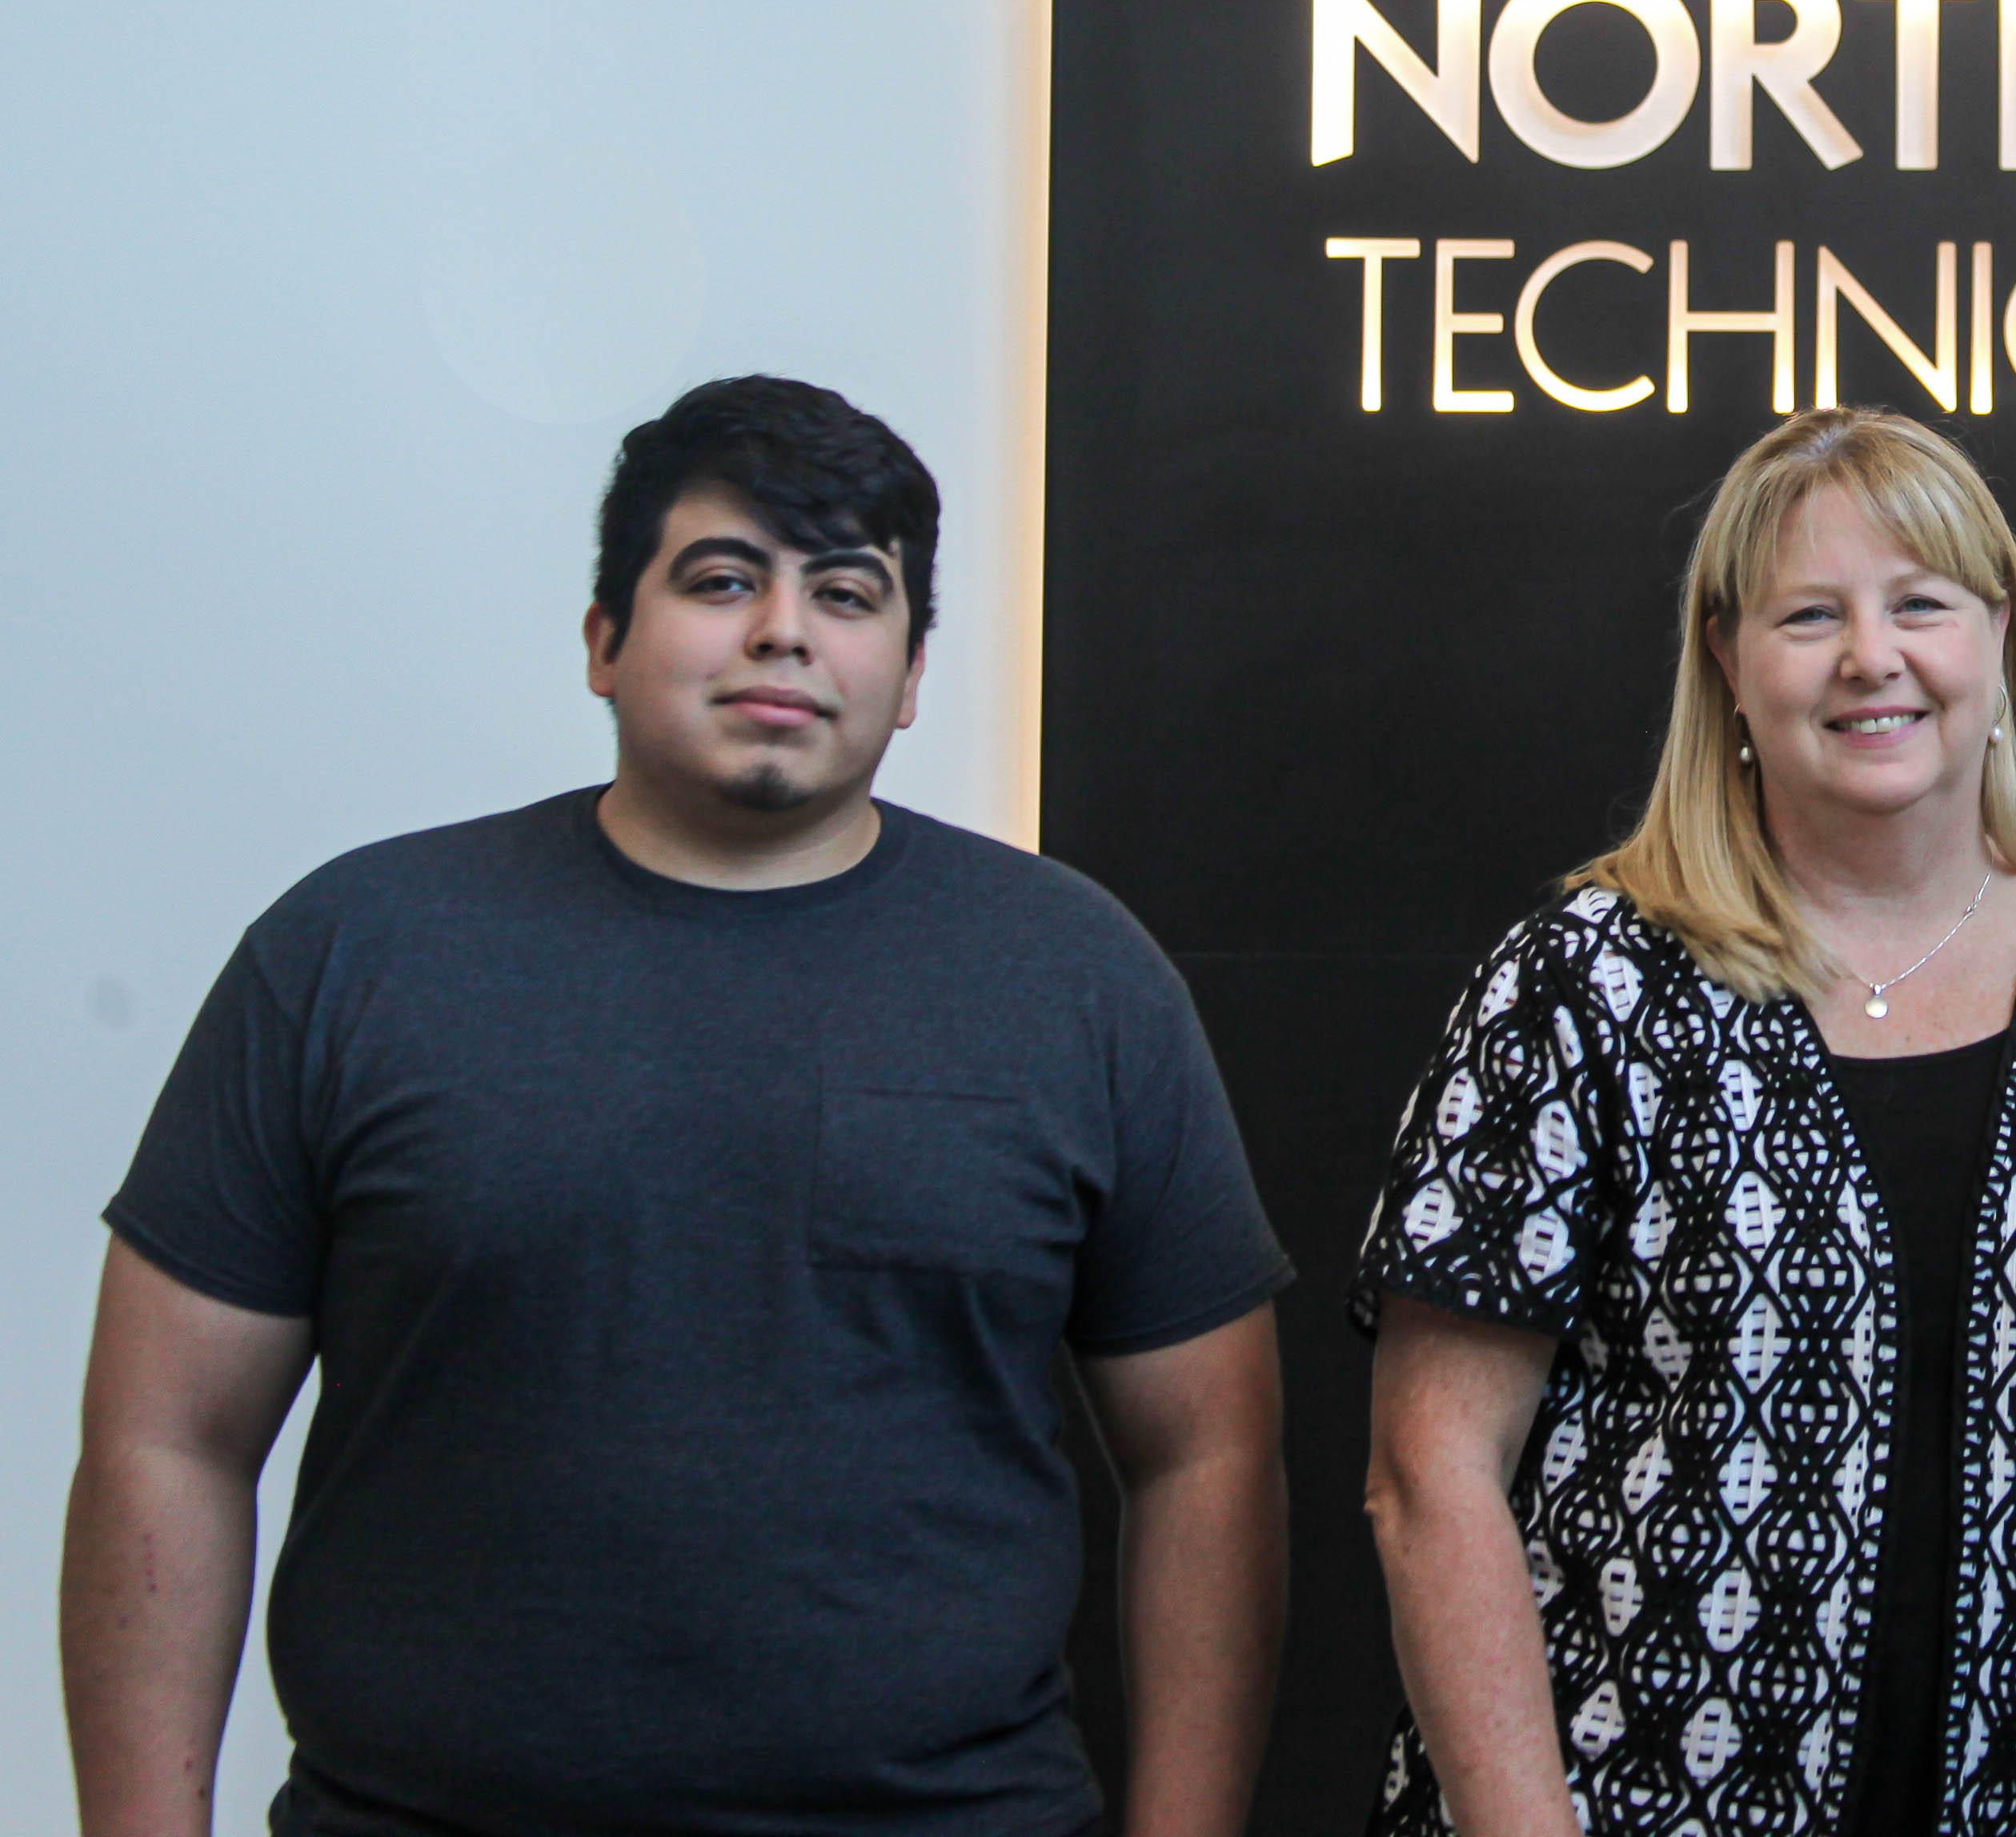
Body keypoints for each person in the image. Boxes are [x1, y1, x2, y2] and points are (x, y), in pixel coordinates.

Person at [62, 375, 1294, 1837]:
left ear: (907, 676)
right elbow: (169, 1443)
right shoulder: (351, 952)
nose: (784, 629)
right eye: (722, 579)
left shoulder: (1078, 976)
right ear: (603, 639)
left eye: (847, 592)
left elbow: (1209, 1458)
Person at [1353, 407, 2016, 1837]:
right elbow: (1428, 1473)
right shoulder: (1586, 983)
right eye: (1811, 615)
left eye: (1920, 605)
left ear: (1998, 641)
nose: (1874, 658)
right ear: (1728, 668)